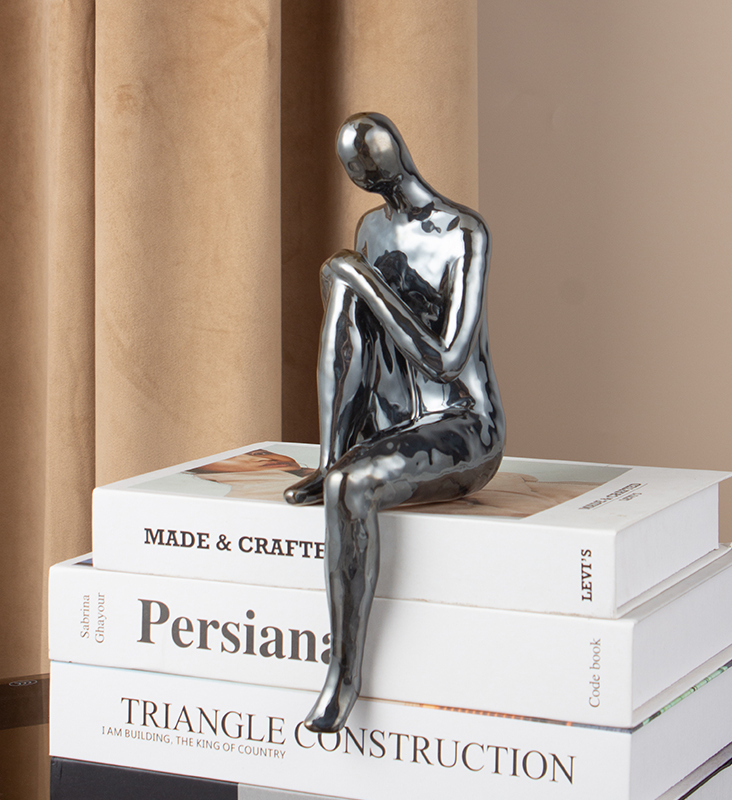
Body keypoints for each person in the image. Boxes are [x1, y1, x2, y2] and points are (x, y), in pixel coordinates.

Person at [284, 113, 505, 732]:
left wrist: (359, 277)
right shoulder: (372, 228)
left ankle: (344, 672)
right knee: (345, 285)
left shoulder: (465, 233)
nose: (358, 176)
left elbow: (447, 359)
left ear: (390, 155)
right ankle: (328, 459)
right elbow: (357, 341)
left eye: (362, 162)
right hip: (393, 415)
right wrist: (352, 281)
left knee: (351, 489)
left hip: (462, 425)